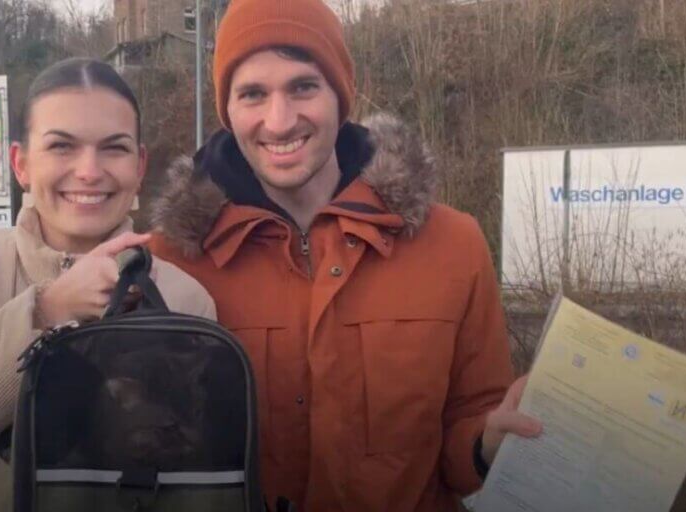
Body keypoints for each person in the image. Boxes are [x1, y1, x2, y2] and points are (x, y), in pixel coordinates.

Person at [148, 1, 542, 510]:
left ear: (340, 94)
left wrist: (486, 444)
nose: (280, 120)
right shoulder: (171, 262)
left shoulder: (453, 245)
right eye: (252, 94)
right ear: (228, 111)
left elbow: (465, 436)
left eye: (303, 86)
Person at [0, 58, 216, 512]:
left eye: (113, 148)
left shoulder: (185, 299)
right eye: (61, 146)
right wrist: (46, 310)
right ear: (20, 163)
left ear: (139, 165)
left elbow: (193, 476)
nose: (89, 171)